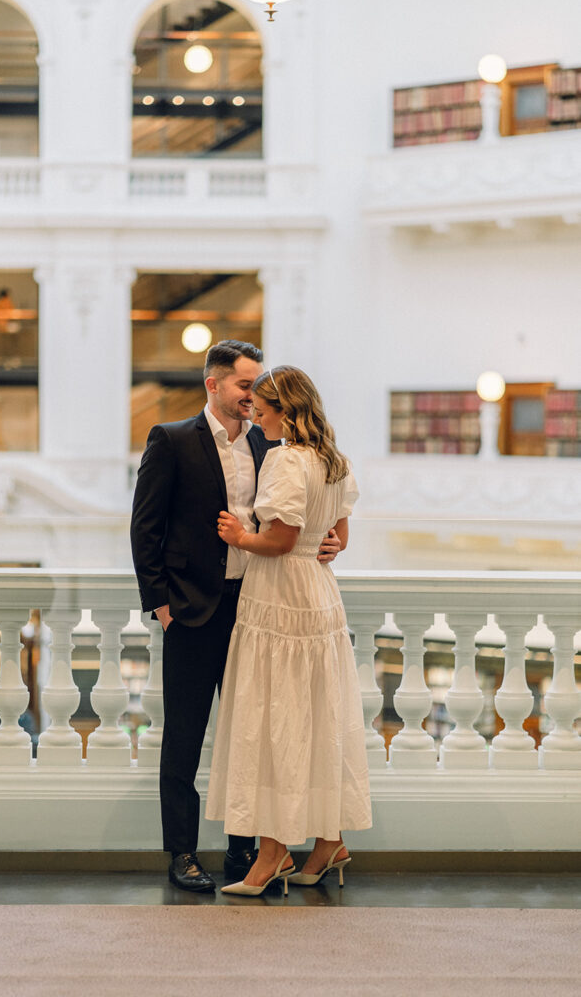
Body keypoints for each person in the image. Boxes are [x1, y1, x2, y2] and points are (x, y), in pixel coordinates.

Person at [130, 342, 341, 893]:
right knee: (184, 735)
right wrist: (160, 603)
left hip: (262, 608)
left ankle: (246, 853)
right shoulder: (171, 440)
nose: (253, 397)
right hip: (194, 611)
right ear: (214, 385)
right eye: (245, 386)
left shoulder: (271, 442)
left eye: (257, 388)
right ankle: (181, 852)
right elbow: (145, 527)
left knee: (256, 733)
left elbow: (298, 520)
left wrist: (331, 540)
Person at [205, 365, 372, 895]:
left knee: (275, 715)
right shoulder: (333, 460)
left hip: (277, 595)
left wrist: (239, 535)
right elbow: (337, 533)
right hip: (318, 594)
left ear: (285, 411)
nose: (255, 416)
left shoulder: (284, 460)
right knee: (315, 714)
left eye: (262, 408)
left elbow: (279, 540)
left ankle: (272, 853)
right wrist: (326, 545)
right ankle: (328, 842)